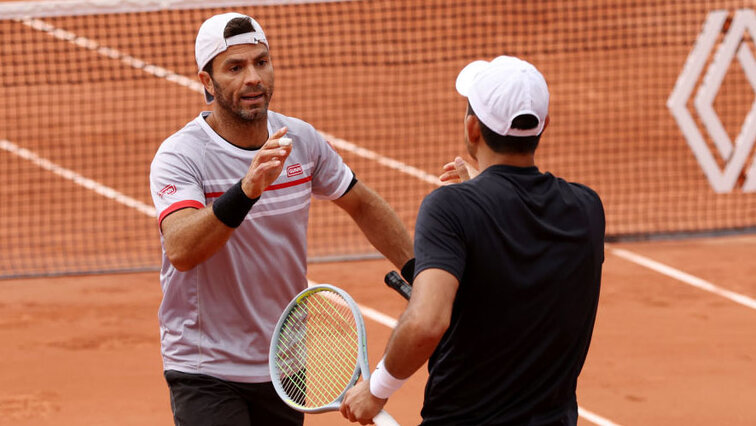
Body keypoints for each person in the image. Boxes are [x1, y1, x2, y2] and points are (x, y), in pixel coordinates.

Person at [149, 12, 414, 426]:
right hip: (206, 365)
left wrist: (419, 272)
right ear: (207, 81)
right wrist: (247, 189)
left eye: (261, 62)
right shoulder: (181, 156)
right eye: (234, 68)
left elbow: (361, 203)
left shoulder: (301, 141)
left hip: (284, 362)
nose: (253, 77)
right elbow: (181, 249)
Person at [340, 55, 605, 425]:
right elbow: (520, 274)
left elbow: (427, 322)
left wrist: (376, 389)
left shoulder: (450, 208)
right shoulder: (586, 209)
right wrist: (481, 196)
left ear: (472, 128)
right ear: (543, 125)